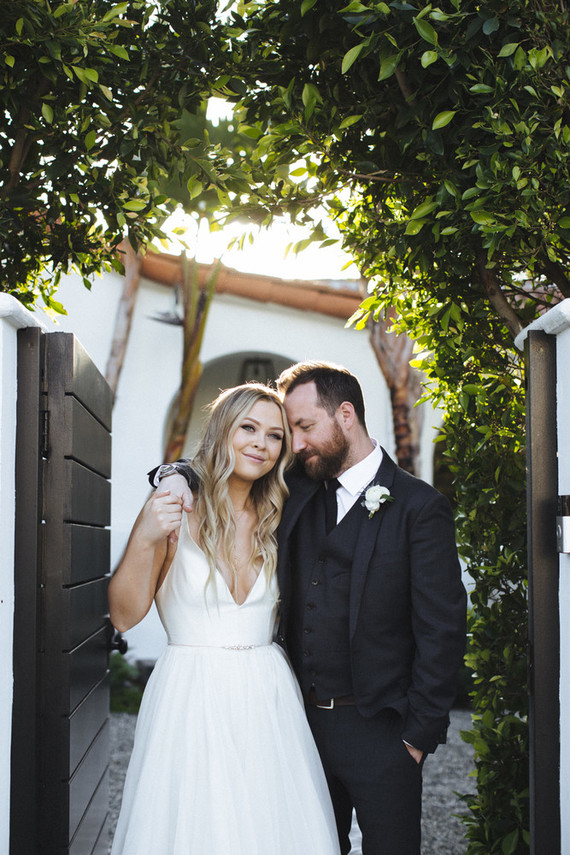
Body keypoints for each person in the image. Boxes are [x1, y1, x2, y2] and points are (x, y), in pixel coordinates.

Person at [149, 362, 467, 855]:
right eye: (288, 432)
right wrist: (175, 475)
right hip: (296, 726)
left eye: (303, 427)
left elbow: (442, 627)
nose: (293, 444)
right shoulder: (294, 488)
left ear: (345, 415)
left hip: (382, 732)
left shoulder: (418, 506)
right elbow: (226, 464)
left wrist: (415, 740)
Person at [109, 383, 341, 855]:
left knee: (269, 828)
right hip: (190, 693)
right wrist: (148, 537)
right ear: (221, 431)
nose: (261, 443)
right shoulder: (175, 506)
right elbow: (124, 614)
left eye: (275, 436)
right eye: (248, 428)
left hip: (268, 694)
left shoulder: (282, 515)